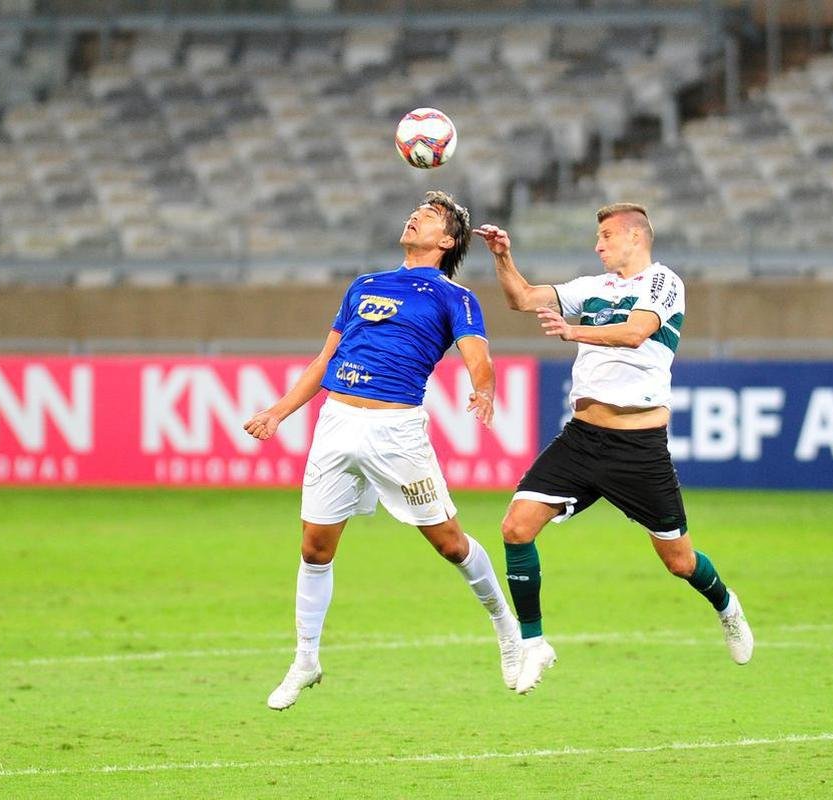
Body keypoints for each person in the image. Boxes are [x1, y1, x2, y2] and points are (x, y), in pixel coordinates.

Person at [244, 190, 522, 710]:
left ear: (447, 240)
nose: (416, 215)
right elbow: (325, 360)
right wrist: (278, 412)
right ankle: (306, 659)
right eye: (417, 210)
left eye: (431, 215)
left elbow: (478, 357)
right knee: (314, 548)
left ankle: (507, 629)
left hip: (395, 432)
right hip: (336, 424)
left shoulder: (453, 296)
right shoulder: (364, 284)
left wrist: (483, 390)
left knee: (450, 544)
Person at [474, 202, 754, 695]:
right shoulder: (590, 288)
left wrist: (573, 331)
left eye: (605, 236)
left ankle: (726, 604)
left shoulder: (663, 282)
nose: (597, 245)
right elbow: (521, 298)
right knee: (516, 528)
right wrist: (503, 256)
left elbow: (636, 332)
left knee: (679, 562)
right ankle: (535, 643)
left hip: (639, 448)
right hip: (582, 438)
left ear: (634, 238)